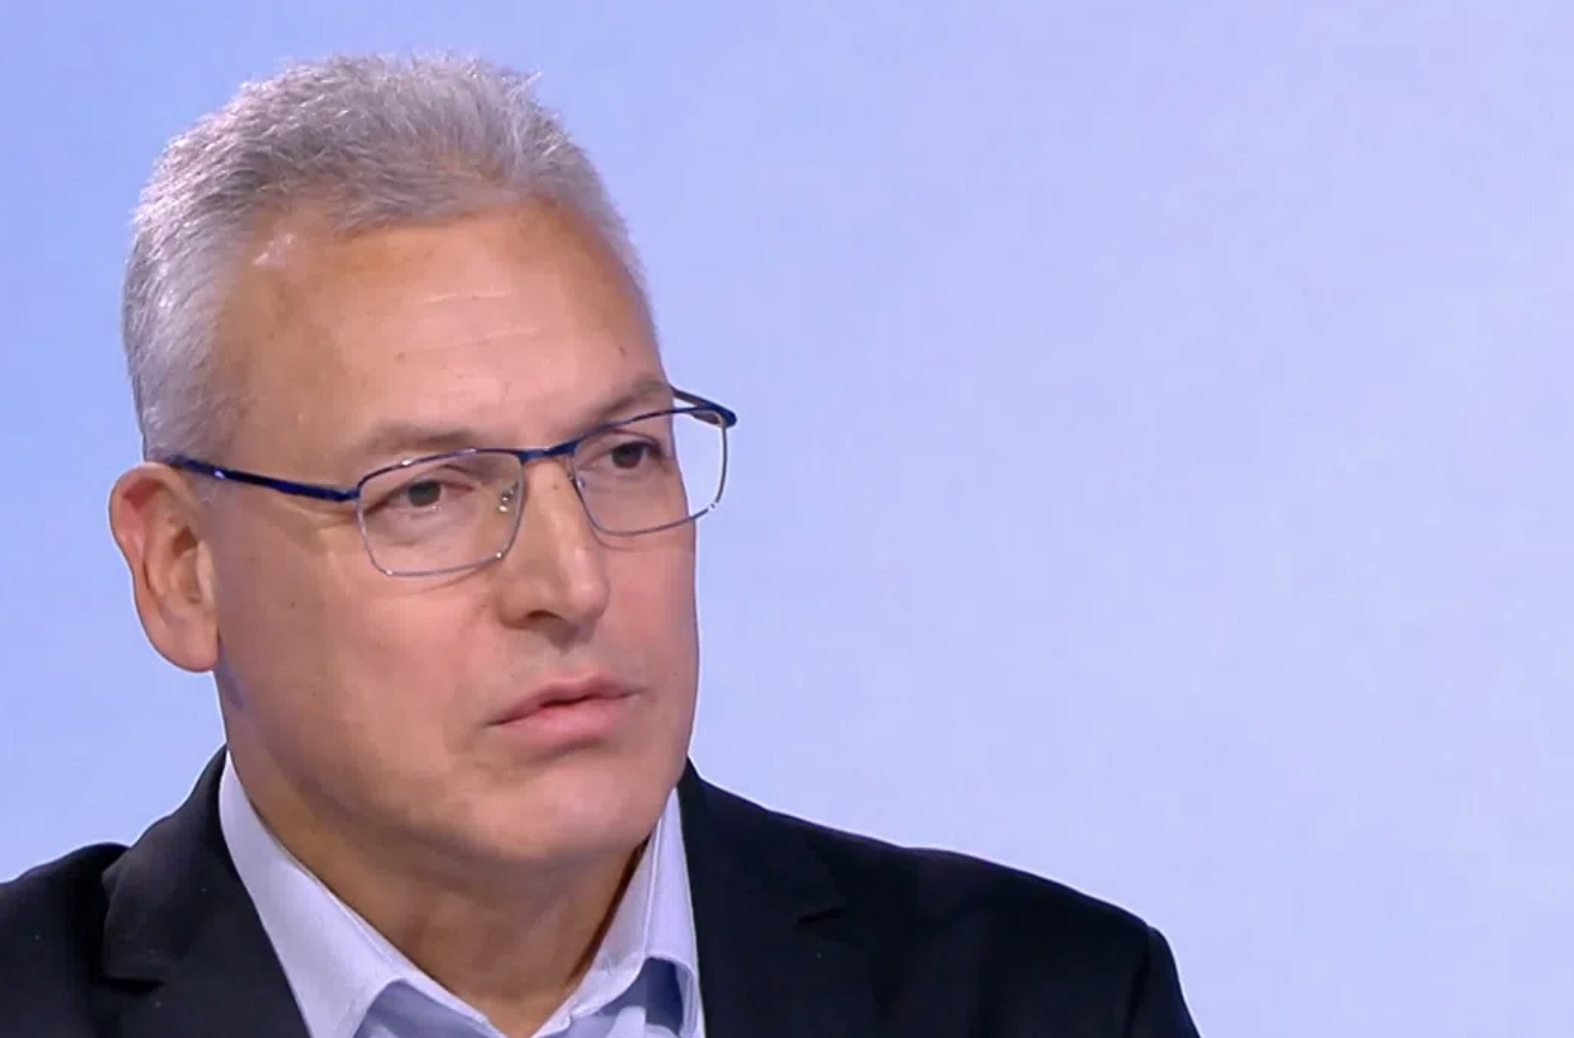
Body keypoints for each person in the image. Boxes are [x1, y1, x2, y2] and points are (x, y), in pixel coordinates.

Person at [0, 53, 1200, 1038]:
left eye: (623, 456)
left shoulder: (1052, 1001)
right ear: (182, 568)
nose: (571, 584)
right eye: (427, 493)